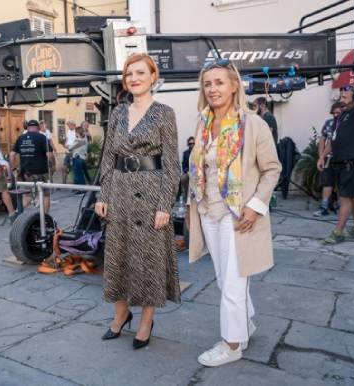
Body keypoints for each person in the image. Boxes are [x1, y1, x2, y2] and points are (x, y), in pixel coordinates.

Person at [188, 59, 281, 366]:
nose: (213, 88)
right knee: (224, 278)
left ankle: (231, 345)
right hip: (208, 210)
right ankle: (246, 323)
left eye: (219, 82)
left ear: (233, 86)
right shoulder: (202, 123)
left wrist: (255, 207)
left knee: (232, 281)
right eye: (207, 83)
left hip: (237, 215)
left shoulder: (253, 123)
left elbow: (272, 169)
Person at [95, 53, 181, 350]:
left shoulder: (164, 113)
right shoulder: (117, 112)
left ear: (153, 77)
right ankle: (120, 316)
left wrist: (164, 205)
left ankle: (146, 320)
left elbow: (172, 164)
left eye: (140, 73)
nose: (134, 78)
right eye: (129, 74)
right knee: (117, 256)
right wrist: (103, 194)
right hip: (119, 192)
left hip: (150, 194)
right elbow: (107, 158)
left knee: (149, 260)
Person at [323, 68, 354, 244]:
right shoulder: (341, 116)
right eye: (340, 95)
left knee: (345, 198)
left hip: (351, 163)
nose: (341, 98)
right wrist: (322, 156)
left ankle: (338, 232)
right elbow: (333, 139)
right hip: (341, 162)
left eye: (345, 96)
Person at [10, 120, 54, 213]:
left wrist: (13, 168)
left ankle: (17, 214)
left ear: (28, 128)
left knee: (27, 196)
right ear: (38, 128)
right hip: (41, 172)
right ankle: (45, 218)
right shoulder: (42, 137)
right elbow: (49, 155)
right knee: (45, 195)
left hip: (26, 173)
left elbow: (12, 155)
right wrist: (53, 165)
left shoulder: (21, 138)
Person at [314, 102, 344, 217]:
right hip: (329, 158)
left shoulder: (345, 123)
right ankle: (324, 208)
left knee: (342, 184)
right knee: (327, 183)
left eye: (338, 113)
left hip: (342, 157)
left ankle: (342, 208)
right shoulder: (329, 123)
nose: (336, 115)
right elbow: (322, 140)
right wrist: (321, 156)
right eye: (334, 113)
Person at [68, 126, 89, 192]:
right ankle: (76, 188)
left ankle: (82, 189)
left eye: (75, 132)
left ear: (77, 132)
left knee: (79, 175)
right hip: (81, 158)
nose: (75, 134)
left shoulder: (79, 141)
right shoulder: (84, 139)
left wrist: (66, 145)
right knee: (77, 174)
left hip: (78, 158)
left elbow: (70, 148)